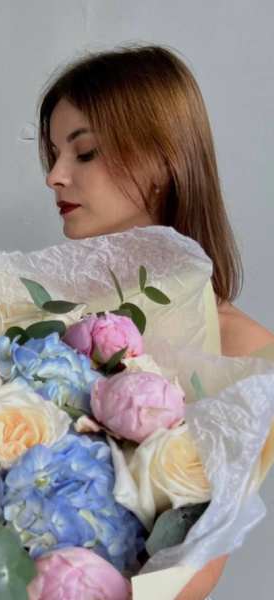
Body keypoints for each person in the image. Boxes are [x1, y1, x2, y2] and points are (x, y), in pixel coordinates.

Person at [37, 43, 274, 600]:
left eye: (84, 152)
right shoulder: (35, 317)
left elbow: (194, 572)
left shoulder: (242, 350)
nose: (55, 176)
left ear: (162, 160)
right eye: (53, 153)